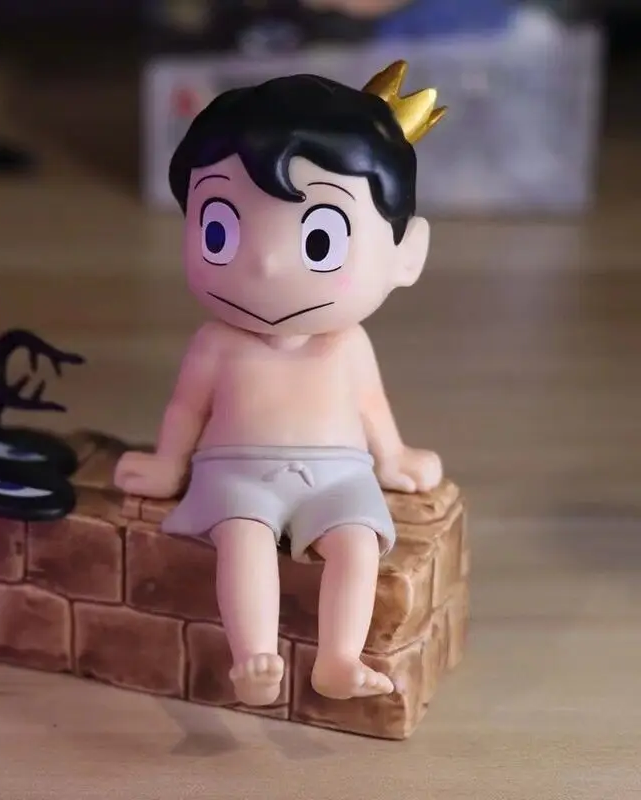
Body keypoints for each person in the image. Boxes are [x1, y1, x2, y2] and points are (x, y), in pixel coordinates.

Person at [115, 62, 446, 707]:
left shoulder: (347, 343)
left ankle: (339, 660)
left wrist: (393, 456)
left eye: (320, 238)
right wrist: (166, 464)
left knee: (357, 544)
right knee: (243, 535)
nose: (265, 265)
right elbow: (186, 409)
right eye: (219, 231)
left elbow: (371, 406)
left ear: (406, 255)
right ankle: (254, 658)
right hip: (235, 471)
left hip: (339, 473)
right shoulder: (216, 342)